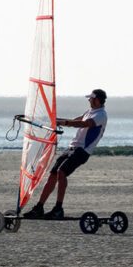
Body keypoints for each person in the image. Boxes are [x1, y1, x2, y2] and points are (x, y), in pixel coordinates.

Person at [23, 89, 108, 220]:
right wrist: (54, 120)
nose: (89, 100)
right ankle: (39, 207)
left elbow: (84, 124)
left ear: (97, 100)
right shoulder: (90, 111)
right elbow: (75, 121)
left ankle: (58, 208)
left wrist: (65, 123)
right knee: (53, 174)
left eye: (91, 98)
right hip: (72, 148)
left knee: (62, 172)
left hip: (82, 151)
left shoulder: (101, 115)